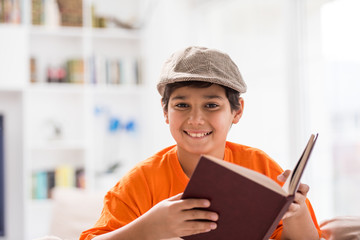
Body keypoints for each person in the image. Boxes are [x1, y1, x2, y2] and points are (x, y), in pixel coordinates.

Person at [80, 46, 322, 240]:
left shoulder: (261, 166)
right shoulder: (140, 181)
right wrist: (149, 228)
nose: (195, 120)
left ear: (236, 112)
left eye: (211, 105)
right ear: (165, 112)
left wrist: (296, 214)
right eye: (182, 105)